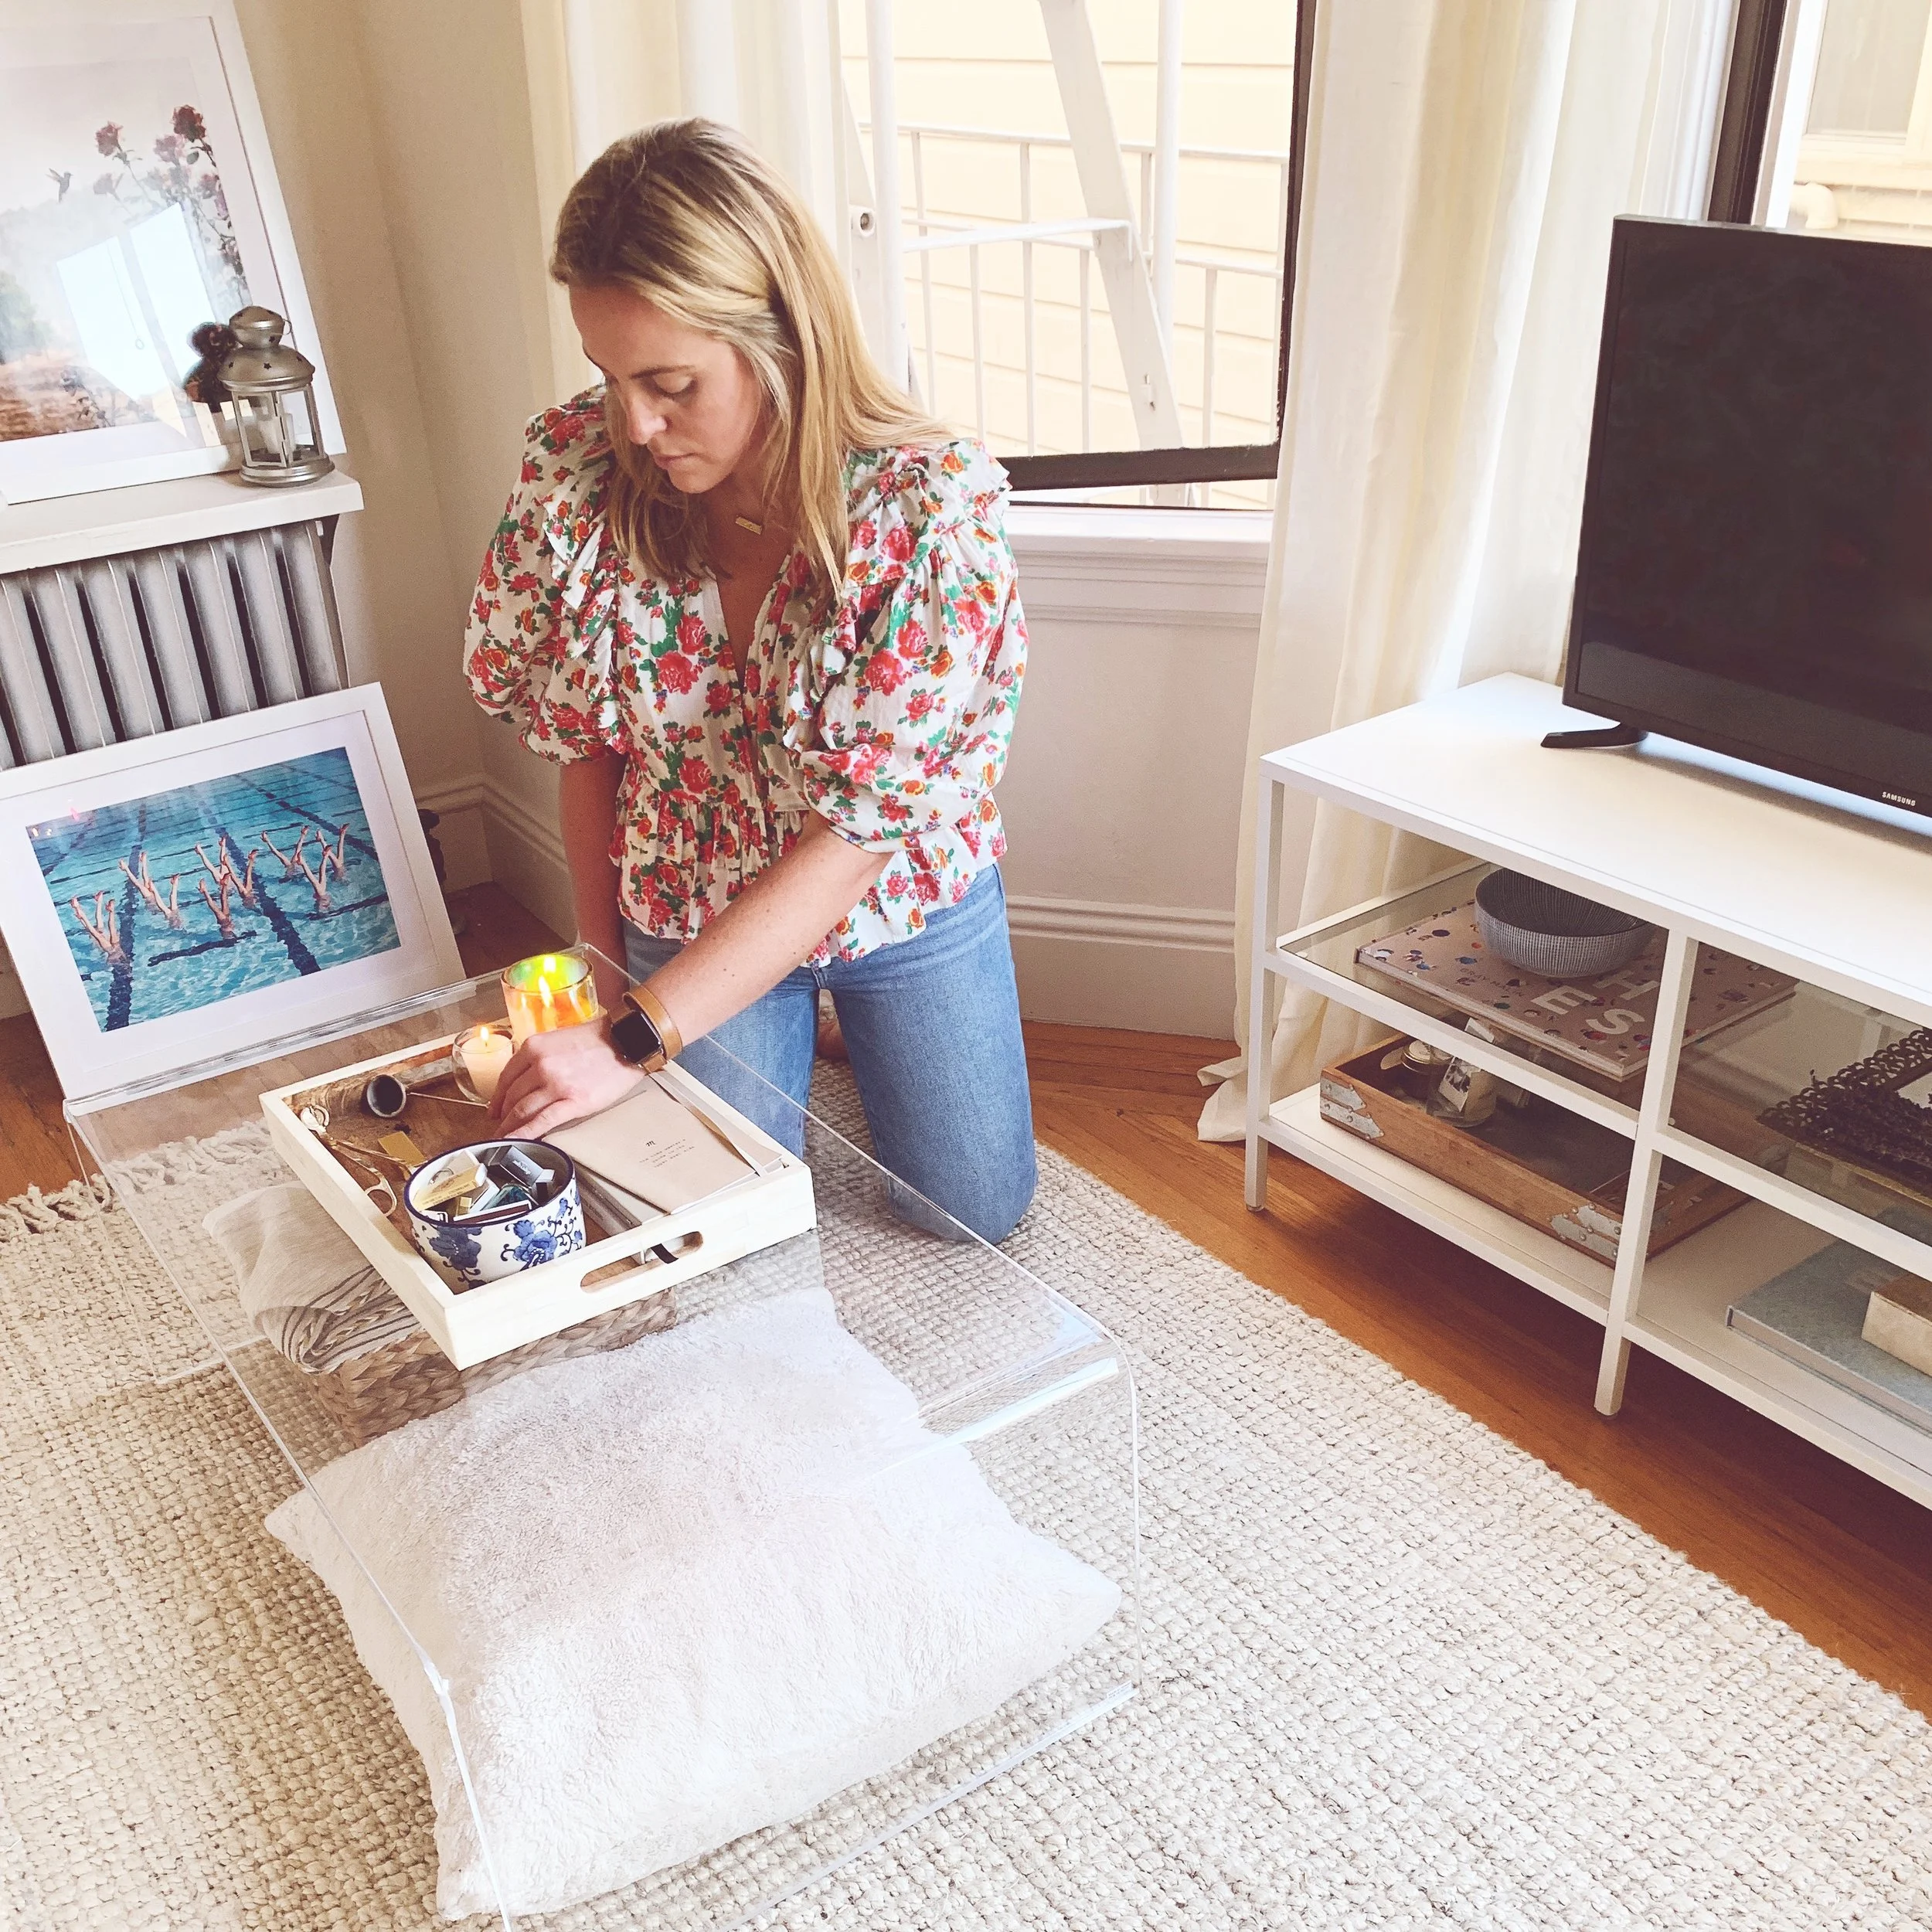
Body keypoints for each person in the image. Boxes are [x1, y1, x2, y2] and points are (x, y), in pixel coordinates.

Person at [463, 118, 1036, 1243]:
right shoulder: (580, 472)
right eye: (611, 377)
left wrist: (636, 1042)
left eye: (670, 381)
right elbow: (588, 744)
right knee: (715, 1227)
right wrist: (605, 978)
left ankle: (845, 1021)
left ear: (777, 334)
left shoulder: (924, 512)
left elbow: (860, 834)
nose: (635, 422)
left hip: (898, 892)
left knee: (972, 1213)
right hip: (686, 891)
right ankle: (781, 1023)